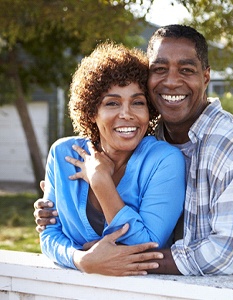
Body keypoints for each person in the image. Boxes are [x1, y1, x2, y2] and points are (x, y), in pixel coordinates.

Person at [34, 24, 233, 277]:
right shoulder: (154, 134)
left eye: (186, 70)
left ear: (205, 77)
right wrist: (81, 258)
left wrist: (117, 259)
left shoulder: (230, 145)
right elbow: (51, 232)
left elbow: (229, 254)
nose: (171, 81)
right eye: (159, 69)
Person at [38, 41, 186, 271]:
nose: (126, 114)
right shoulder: (62, 155)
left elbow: (146, 247)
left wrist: (100, 181)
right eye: (112, 103)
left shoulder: (164, 161)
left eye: (137, 102)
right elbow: (49, 235)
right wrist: (81, 259)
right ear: (91, 111)